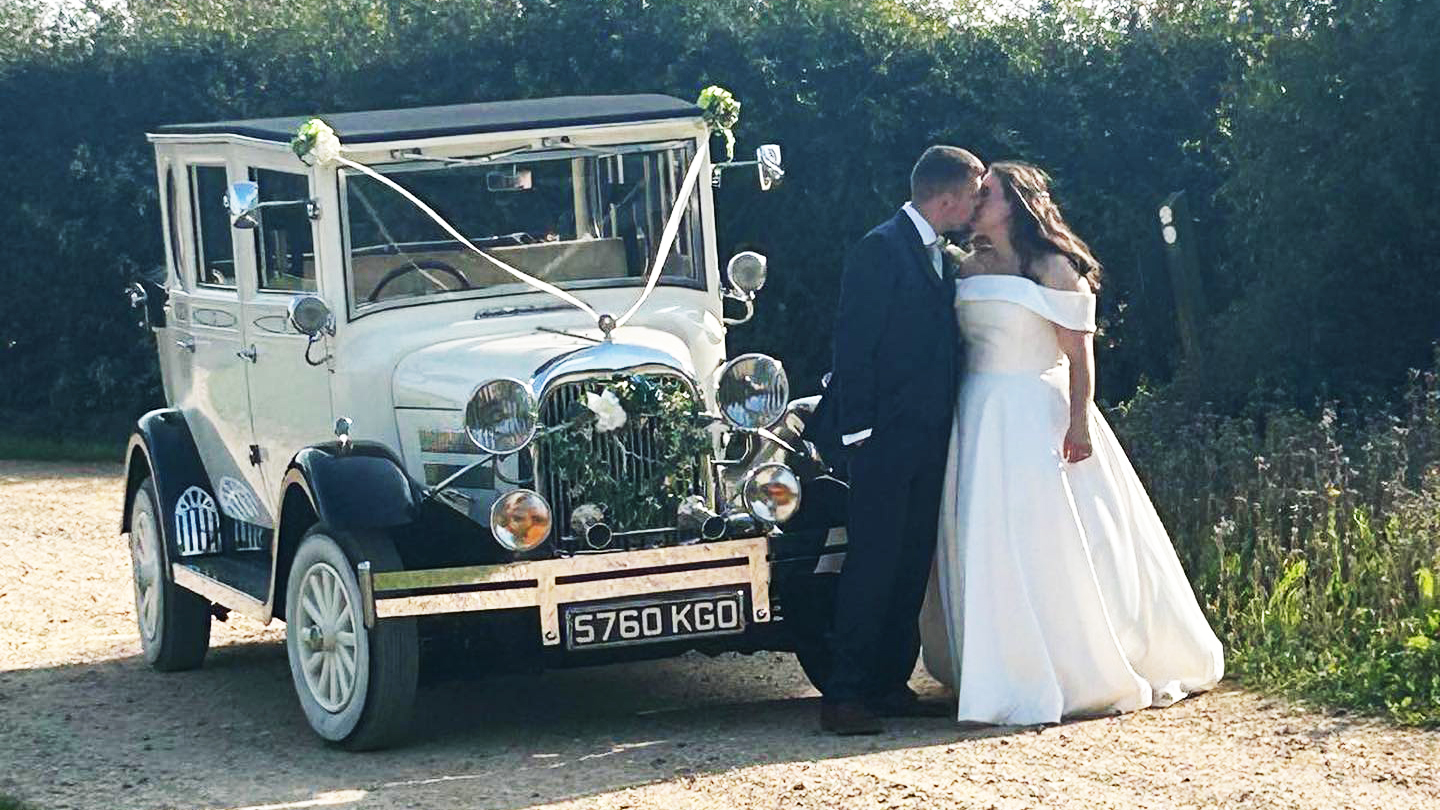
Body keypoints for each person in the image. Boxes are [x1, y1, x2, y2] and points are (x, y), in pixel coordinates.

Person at [917, 161, 1225, 726]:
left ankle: (1075, 660)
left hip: (1037, 410)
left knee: (1049, 535)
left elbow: (1080, 355)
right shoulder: (965, 269)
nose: (975, 199)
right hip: (979, 416)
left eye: (986, 192)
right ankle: (1003, 661)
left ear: (1016, 202)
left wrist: (1079, 421)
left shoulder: (1054, 269)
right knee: (989, 536)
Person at [805, 145, 985, 735]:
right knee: (873, 562)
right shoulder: (879, 249)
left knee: (912, 560)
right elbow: (853, 347)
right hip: (880, 441)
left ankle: (888, 680)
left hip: (929, 437)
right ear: (947, 197)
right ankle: (844, 694)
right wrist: (860, 435)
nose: (978, 203)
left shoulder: (942, 255)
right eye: (975, 192)